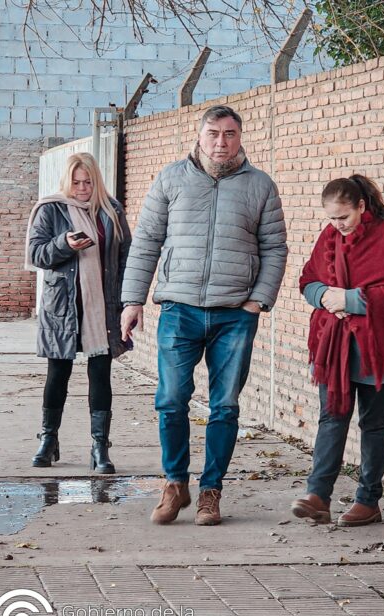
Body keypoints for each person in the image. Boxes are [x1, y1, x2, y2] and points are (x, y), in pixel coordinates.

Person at [120, 105, 287, 526]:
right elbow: (146, 243)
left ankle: (211, 491)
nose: (220, 142)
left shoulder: (260, 186)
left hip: (235, 314)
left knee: (224, 406)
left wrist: (258, 302)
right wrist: (132, 300)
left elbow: (275, 248)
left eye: (229, 134)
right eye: (213, 133)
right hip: (180, 308)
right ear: (199, 135)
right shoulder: (170, 179)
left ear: (240, 137)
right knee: (171, 400)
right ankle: (175, 484)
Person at [291, 175, 384, 527]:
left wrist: (348, 298)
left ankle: (368, 500)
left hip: (379, 346)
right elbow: (308, 280)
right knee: (332, 415)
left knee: (373, 423)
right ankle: (318, 495)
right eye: (332, 218)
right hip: (336, 345)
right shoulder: (330, 236)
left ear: (361, 207)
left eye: (344, 217)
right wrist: (323, 297)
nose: (338, 225)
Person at [26, 153, 132, 474]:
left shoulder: (112, 211)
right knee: (58, 373)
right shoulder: (51, 209)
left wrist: (128, 301)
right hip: (63, 306)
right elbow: (36, 254)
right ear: (66, 181)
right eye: (76, 182)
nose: (82, 188)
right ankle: (49, 439)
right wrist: (64, 244)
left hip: (103, 306)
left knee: (100, 373)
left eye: (88, 181)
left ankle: (100, 446)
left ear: (96, 180)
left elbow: (126, 257)